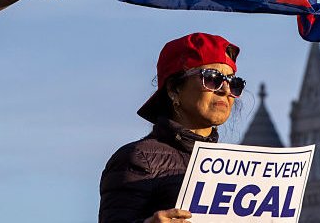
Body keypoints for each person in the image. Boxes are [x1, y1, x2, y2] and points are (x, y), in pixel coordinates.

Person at [99, 33, 246, 223]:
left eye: (234, 83)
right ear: (174, 89)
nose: (225, 90)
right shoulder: (138, 158)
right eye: (211, 78)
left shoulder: (235, 168)